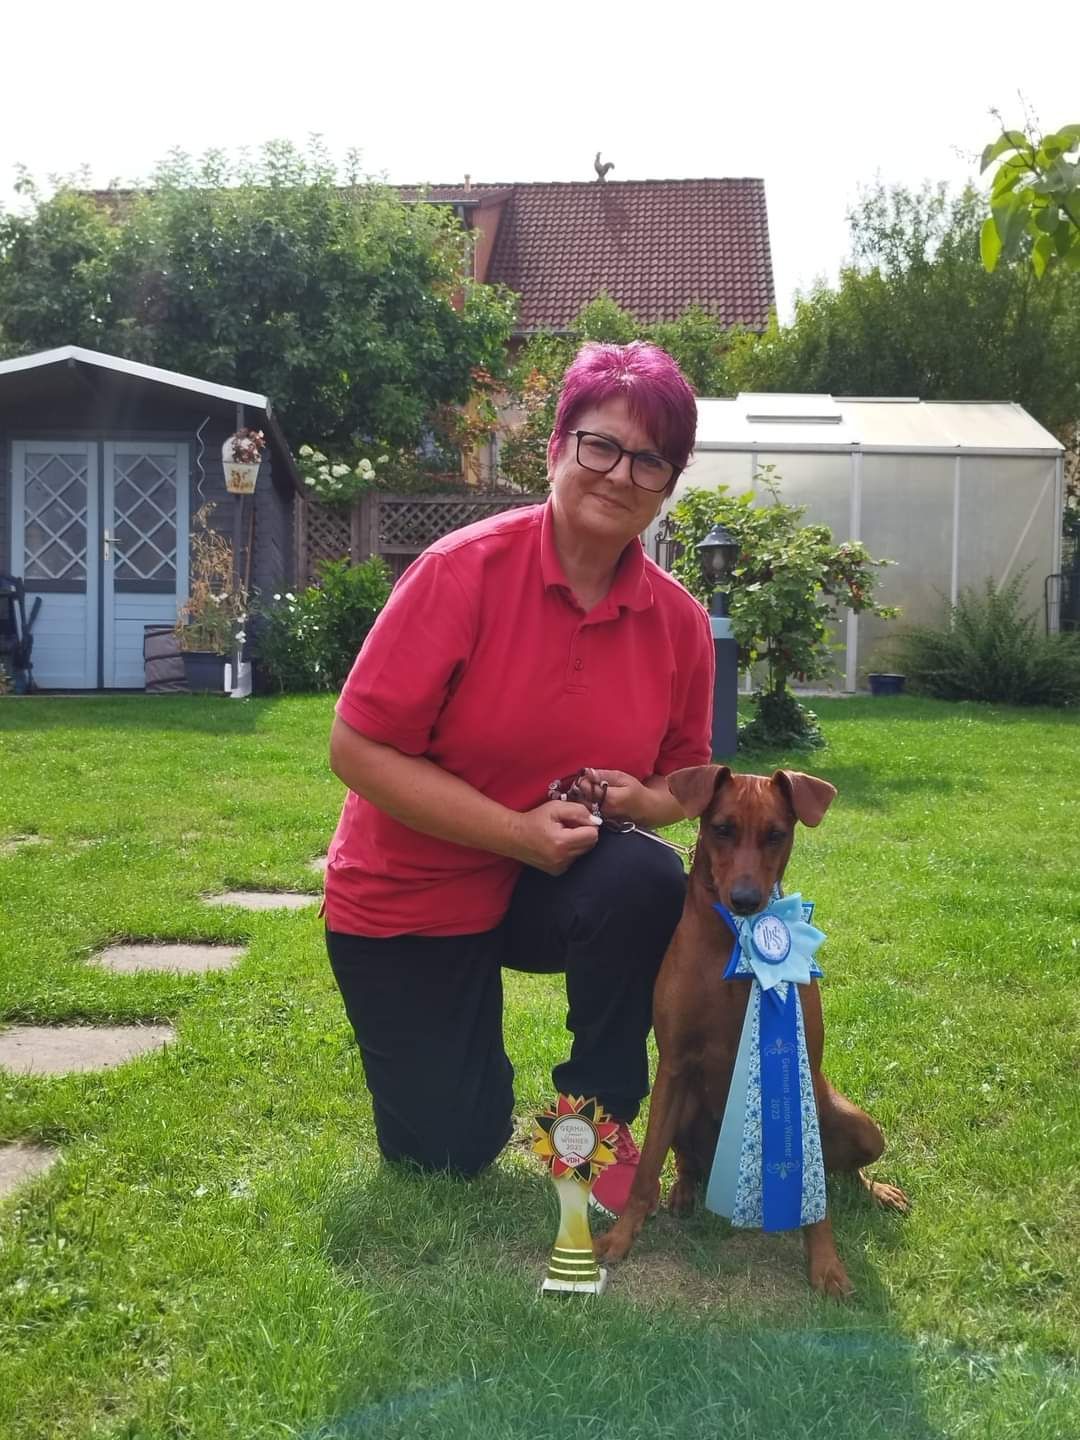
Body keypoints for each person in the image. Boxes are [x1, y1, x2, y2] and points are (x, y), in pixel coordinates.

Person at [324, 340, 714, 1217]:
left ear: (668, 484)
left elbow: (683, 779)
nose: (620, 475)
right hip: (411, 891)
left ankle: (590, 1139)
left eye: (651, 460)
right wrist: (513, 832)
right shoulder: (460, 572)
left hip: (554, 887)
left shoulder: (680, 623)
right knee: (448, 1150)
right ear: (556, 448)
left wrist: (644, 801)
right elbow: (355, 750)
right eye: (601, 445)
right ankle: (469, 1082)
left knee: (644, 876)